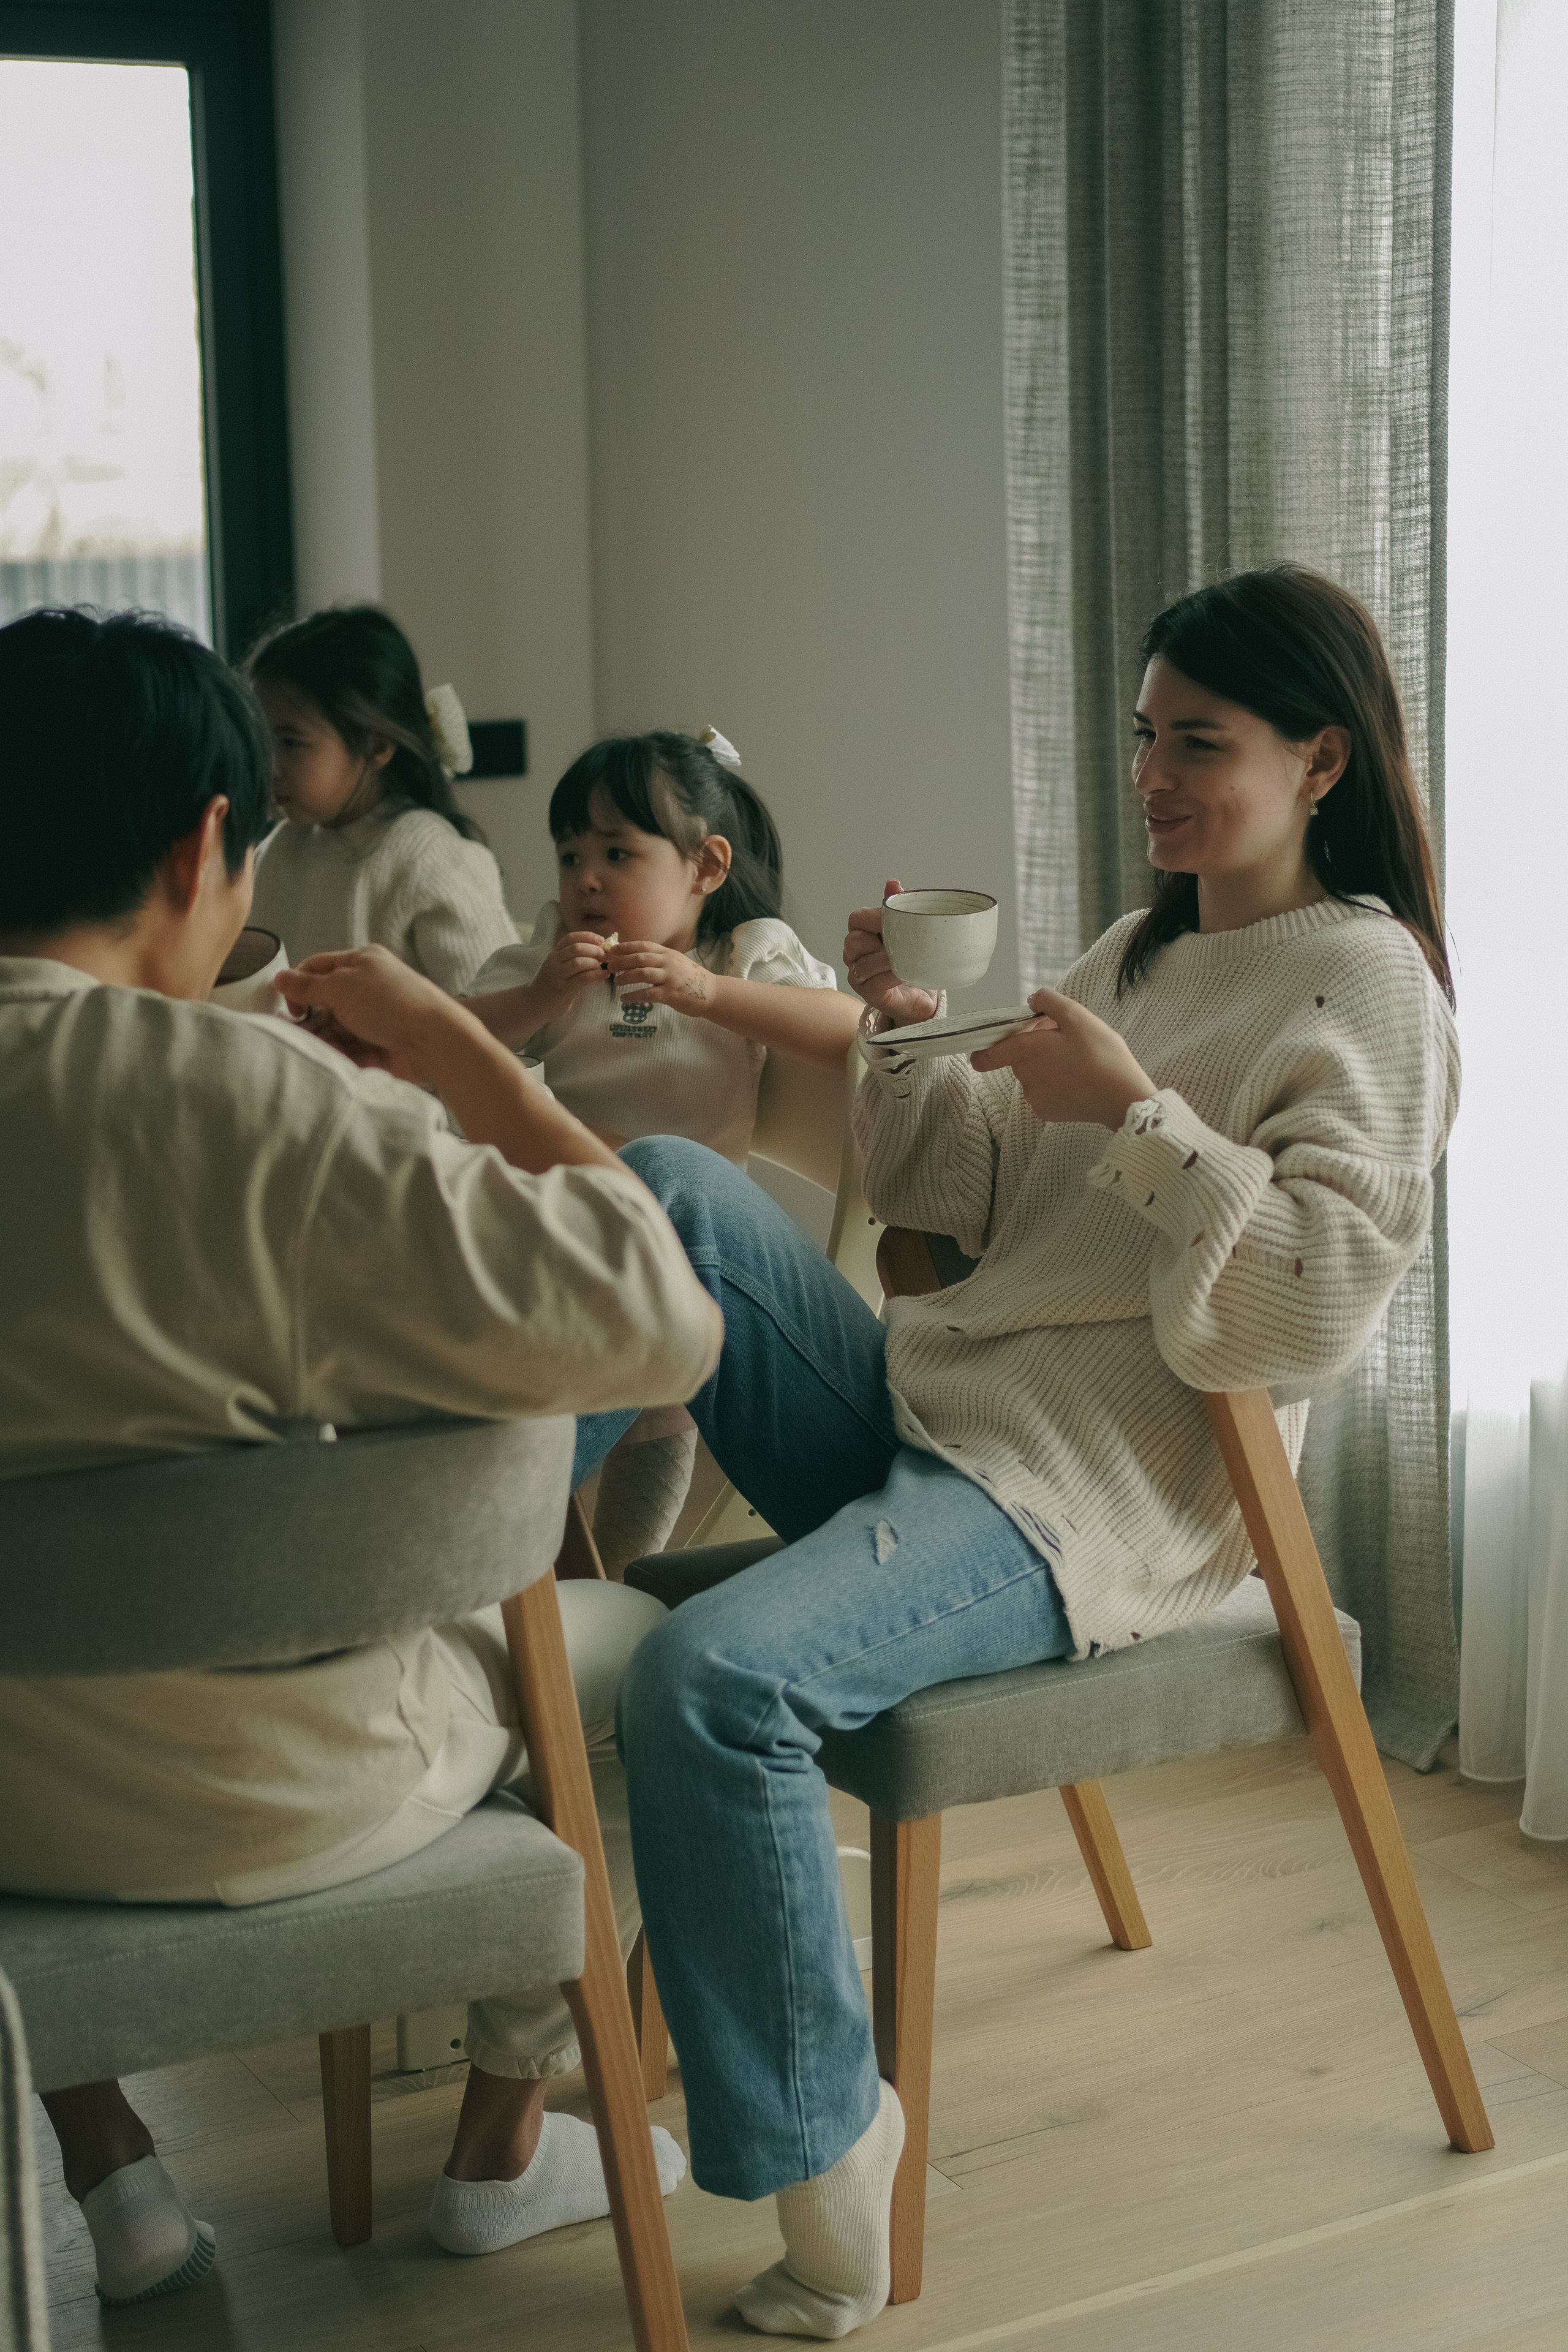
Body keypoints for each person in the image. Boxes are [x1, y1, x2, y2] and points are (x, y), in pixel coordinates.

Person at [527, 563, 1460, 2336]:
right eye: (1143, 737)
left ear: (1323, 759)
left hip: (1089, 1499)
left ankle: (830, 2153)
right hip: (941, 1413)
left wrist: (1138, 1111)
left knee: (712, 1684)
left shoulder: (1369, 984)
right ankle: (458, 1545)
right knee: (665, 1199)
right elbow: (955, 1198)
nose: (1155, 775)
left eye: (1201, 741)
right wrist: (896, 1032)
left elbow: (1305, 1308)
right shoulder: (1143, 946)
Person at [0, 608, 721, 2307]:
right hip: (297, 1788)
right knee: (660, 1661)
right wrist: (471, 1063)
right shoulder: (261, 1100)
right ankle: (503, 2139)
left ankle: (111, 2178)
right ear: (203, 853)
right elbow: (662, 1323)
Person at [464, 728, 862, 1572]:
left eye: (618, 852)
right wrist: (540, 996)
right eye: (570, 857)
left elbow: (851, 1036)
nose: (587, 880)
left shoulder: (739, 954)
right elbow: (457, 1048)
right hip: (559, 1229)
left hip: (683, 1254)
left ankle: (611, 1575)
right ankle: (518, 1556)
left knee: (654, 1418)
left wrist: (713, 995)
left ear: (707, 868)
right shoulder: (555, 958)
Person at [245, 603, 519, 993]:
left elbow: (496, 1023)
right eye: (263, 741)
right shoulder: (278, 852)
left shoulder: (433, 861)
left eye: (291, 742)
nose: (270, 765)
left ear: (376, 746)